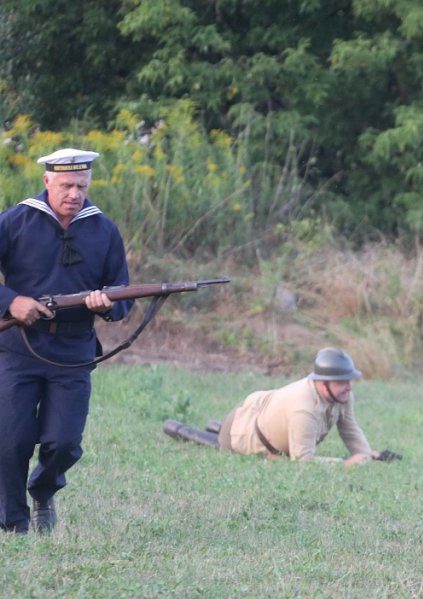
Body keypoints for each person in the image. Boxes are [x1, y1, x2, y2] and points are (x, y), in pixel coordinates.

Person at [0, 148, 132, 534]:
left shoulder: (103, 229)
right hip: (18, 348)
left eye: (81, 185)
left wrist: (106, 305)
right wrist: (12, 302)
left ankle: (43, 490)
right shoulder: (15, 220)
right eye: (66, 185)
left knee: (64, 442)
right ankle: (14, 523)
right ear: (47, 182)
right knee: (11, 441)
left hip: (73, 351)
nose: (75, 194)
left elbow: (121, 294)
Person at [164, 348, 382, 466]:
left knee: (222, 429)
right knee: (223, 442)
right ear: (322, 383)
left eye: (349, 380)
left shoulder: (341, 395)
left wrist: (364, 454)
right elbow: (303, 460)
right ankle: (179, 429)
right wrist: (345, 464)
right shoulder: (304, 409)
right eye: (342, 381)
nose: (348, 386)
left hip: (259, 410)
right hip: (244, 430)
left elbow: (350, 427)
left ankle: (216, 426)